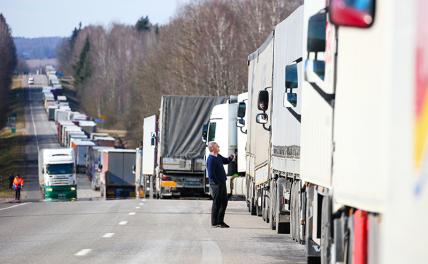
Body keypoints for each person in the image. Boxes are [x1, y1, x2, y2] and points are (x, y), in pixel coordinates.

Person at [206, 141, 234, 228]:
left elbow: (225, 161)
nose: (219, 147)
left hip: (222, 182)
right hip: (216, 184)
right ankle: (214, 223)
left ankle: (220, 221)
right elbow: (211, 174)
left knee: (224, 202)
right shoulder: (210, 159)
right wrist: (217, 182)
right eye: (217, 146)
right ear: (213, 148)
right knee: (217, 202)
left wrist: (231, 157)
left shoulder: (218, 156)